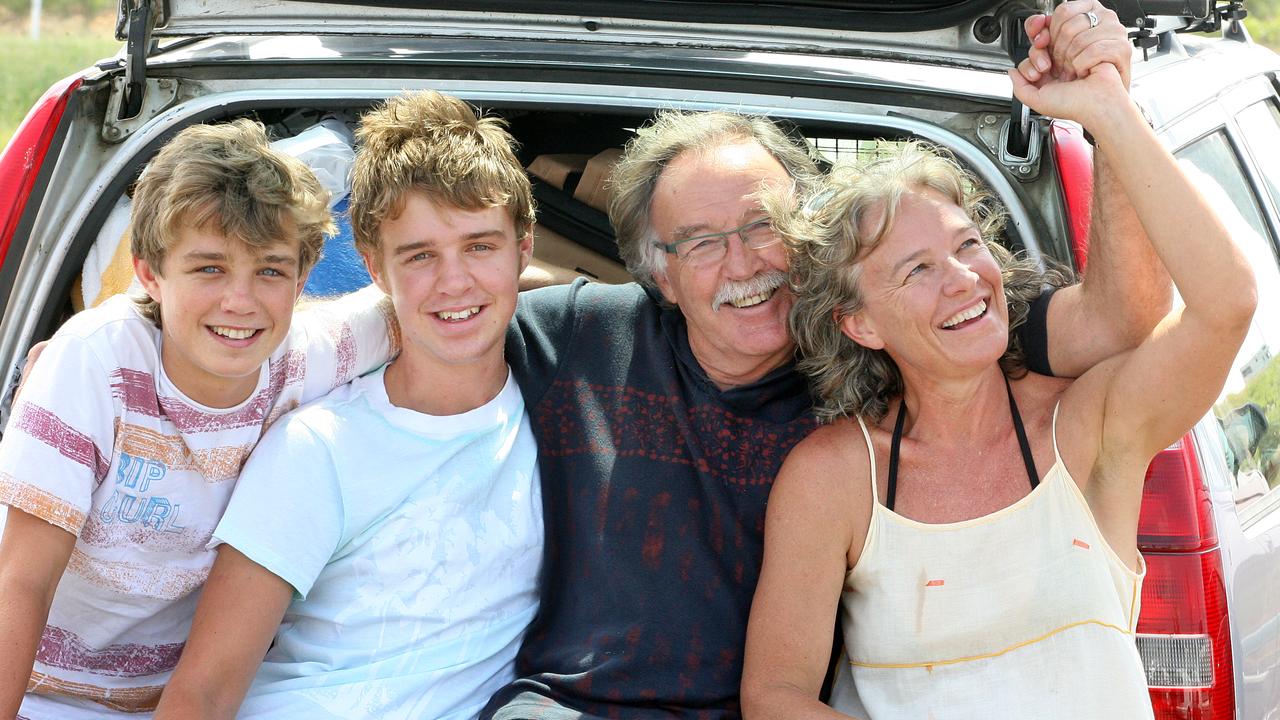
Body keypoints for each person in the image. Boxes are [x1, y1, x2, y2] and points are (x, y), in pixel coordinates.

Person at [481, 3, 1171, 718]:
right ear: (661, 275)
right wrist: (358, 331)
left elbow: (1122, 321)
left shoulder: (908, 336)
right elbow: (434, 314)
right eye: (703, 243)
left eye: (762, 226)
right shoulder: (580, 333)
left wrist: (1108, 108)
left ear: (809, 237)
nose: (745, 264)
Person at [738, 14, 1255, 720]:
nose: (963, 279)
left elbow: (1226, 302)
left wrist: (1110, 111)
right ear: (860, 323)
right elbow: (775, 697)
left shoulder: (1088, 421)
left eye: (968, 244)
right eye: (918, 268)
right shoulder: (834, 476)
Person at [153, 90, 543, 720]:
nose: (455, 283)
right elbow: (204, 692)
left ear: (524, 248)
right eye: (419, 256)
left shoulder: (566, 410)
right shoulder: (318, 446)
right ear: (374, 269)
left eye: (480, 246)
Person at [0, 120, 396, 719]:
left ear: (301, 278)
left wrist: (571, 289)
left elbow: (438, 299)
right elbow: (20, 581)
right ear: (150, 274)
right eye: (209, 268)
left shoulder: (303, 357)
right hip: (35, 690)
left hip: (182, 701)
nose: (240, 301)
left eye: (269, 270)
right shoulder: (97, 361)